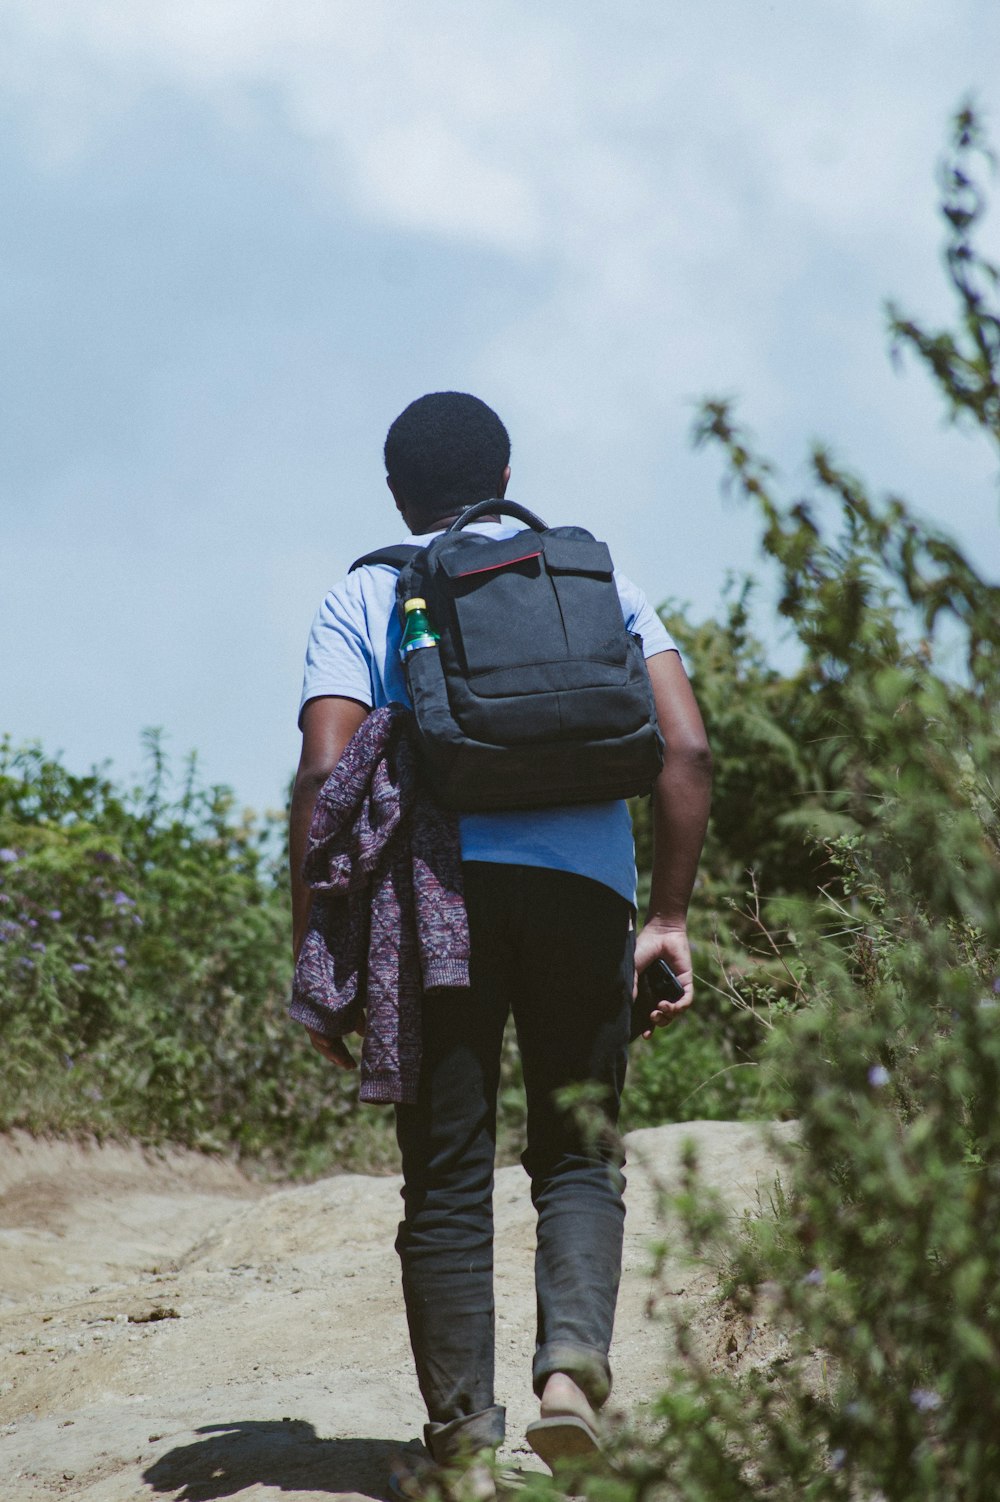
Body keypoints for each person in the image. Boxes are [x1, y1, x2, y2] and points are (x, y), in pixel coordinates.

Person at [288, 392, 712, 1484]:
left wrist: (317, 947)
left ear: (399, 491)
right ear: (507, 472)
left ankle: (464, 1432)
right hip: (583, 899)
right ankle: (569, 1373)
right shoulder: (591, 577)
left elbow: (324, 774)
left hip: (434, 905)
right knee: (577, 1148)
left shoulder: (367, 589)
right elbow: (687, 750)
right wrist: (664, 914)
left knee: (443, 1170)